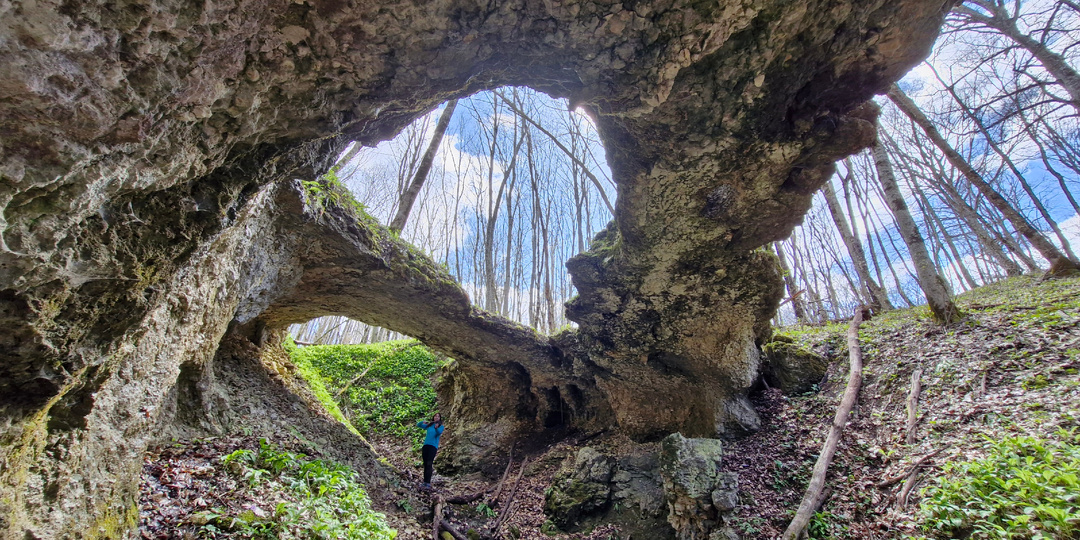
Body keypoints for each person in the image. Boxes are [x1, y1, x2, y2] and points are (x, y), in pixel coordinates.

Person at [416, 413, 444, 489]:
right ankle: (424, 482)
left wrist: (436, 428)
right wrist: (423, 422)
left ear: (440, 418)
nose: (436, 417)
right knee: (425, 464)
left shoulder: (441, 426)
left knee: (429, 463)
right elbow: (418, 425)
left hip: (433, 447)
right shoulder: (429, 425)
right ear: (433, 417)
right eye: (435, 416)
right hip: (426, 446)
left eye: (438, 416)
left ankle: (428, 483)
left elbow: (439, 432)